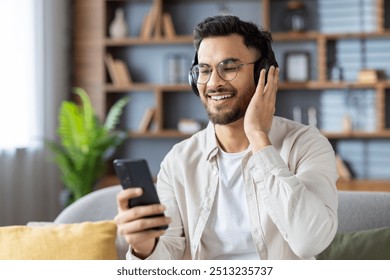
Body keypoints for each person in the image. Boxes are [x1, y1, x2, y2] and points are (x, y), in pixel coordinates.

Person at [115, 15, 339, 260]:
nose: (213, 83)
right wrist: (144, 248)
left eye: (229, 67)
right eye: (204, 70)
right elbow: (166, 258)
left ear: (263, 74)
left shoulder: (306, 145)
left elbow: (310, 242)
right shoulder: (179, 160)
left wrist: (258, 137)